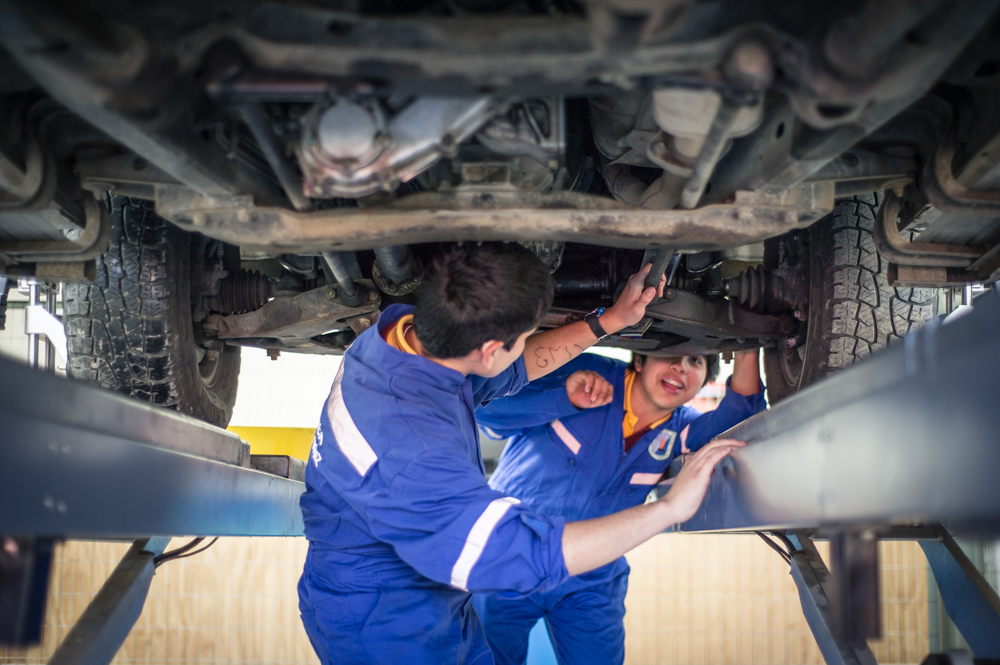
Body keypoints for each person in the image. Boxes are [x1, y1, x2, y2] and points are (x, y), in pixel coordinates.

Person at [298, 242, 745, 665]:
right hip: (385, 623)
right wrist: (668, 508)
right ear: (491, 348)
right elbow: (511, 554)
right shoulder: (412, 448)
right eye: (522, 336)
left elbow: (516, 366)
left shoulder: (398, 342)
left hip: (432, 594)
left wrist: (606, 322)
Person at [472, 348, 766, 665]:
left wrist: (748, 345)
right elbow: (487, 411)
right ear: (639, 359)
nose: (681, 368)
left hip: (590, 581)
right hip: (507, 564)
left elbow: (741, 417)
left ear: (702, 381)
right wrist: (563, 398)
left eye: (695, 361)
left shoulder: (680, 430)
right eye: (671, 353)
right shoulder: (587, 372)